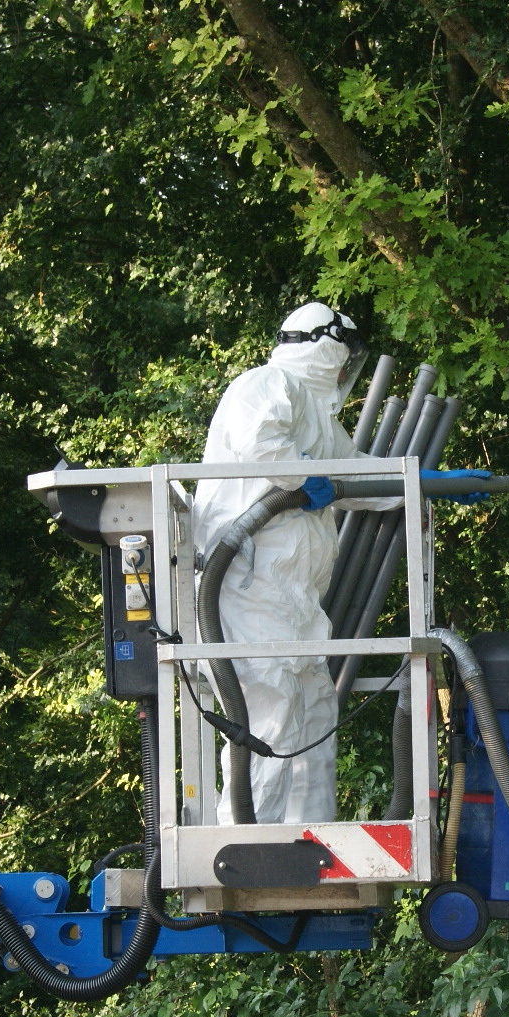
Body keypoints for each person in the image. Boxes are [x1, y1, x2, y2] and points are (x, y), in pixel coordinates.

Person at [190, 302, 393, 824]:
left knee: (315, 715)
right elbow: (264, 450)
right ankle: (249, 852)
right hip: (246, 585)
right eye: (347, 357)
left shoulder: (319, 419)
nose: (349, 371)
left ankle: (313, 850)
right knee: (271, 717)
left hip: (295, 602)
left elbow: (355, 476)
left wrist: (419, 486)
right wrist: (306, 481)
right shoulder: (264, 384)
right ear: (329, 348)